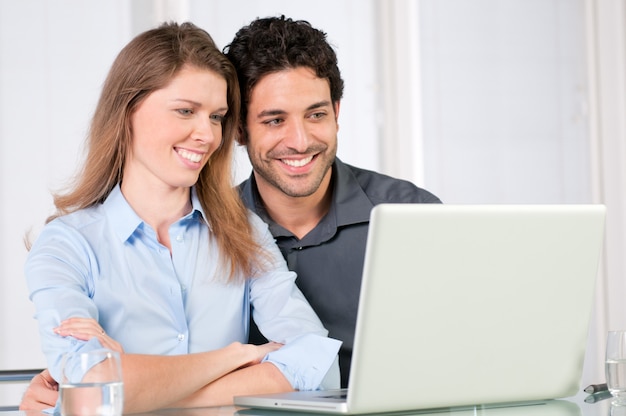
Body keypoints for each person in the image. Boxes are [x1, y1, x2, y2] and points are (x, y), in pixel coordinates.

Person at [20, 15, 441, 409]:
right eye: (185, 110)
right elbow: (91, 390)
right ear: (127, 110)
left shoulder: (241, 231)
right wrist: (234, 357)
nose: (205, 134)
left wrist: (138, 392)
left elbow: (319, 365)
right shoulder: (69, 245)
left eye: (216, 116)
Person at [223, 16, 441, 388]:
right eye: (275, 120)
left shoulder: (414, 215)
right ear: (240, 129)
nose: (300, 140)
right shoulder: (207, 230)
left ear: (337, 114)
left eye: (316, 114)